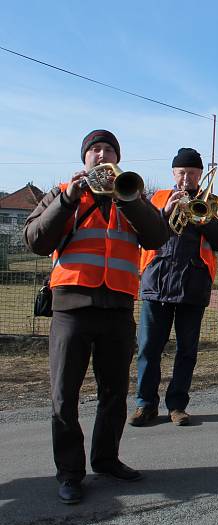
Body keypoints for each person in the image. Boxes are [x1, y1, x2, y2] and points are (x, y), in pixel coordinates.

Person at [23, 129, 169, 504]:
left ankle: (106, 459)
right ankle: (70, 473)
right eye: (94, 150)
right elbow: (37, 240)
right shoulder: (60, 192)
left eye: (108, 150)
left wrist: (130, 201)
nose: (101, 155)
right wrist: (68, 199)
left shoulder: (130, 193)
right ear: (84, 159)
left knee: (114, 392)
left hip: (117, 308)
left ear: (117, 158)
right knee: (64, 394)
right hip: (72, 307)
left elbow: (156, 237)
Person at [129, 148, 218, 428]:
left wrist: (202, 218)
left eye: (192, 173)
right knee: (149, 348)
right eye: (182, 173)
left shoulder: (213, 202)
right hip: (156, 282)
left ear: (200, 175)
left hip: (193, 285)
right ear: (173, 174)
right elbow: (142, 234)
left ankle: (177, 405)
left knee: (187, 351)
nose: (187, 178)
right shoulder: (158, 198)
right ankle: (145, 404)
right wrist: (164, 213)